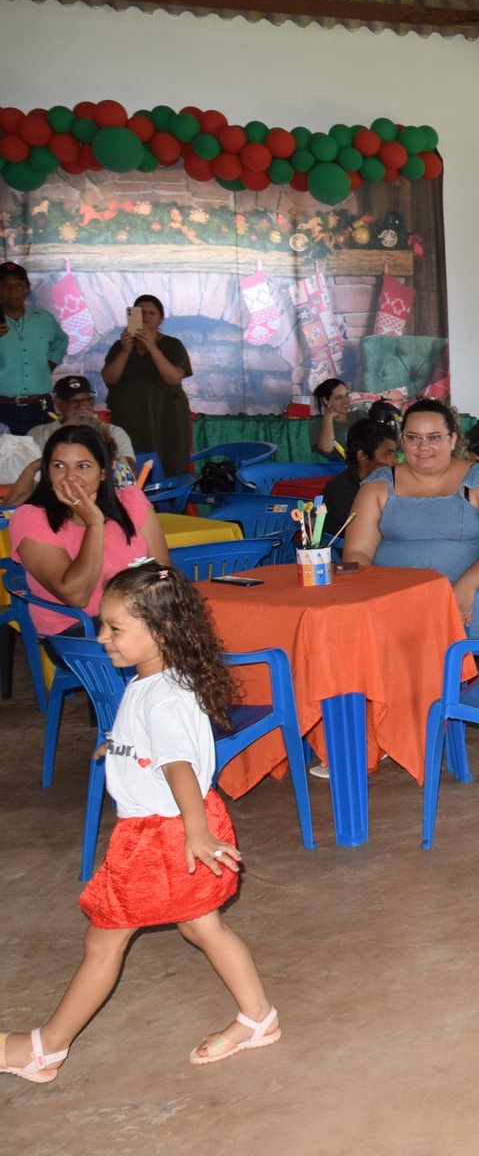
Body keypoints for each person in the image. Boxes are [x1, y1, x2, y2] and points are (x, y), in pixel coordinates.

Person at [0, 562, 279, 1084]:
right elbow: (156, 746)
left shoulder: (166, 697)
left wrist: (196, 832)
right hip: (166, 829)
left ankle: (45, 1050)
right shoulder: (151, 681)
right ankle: (258, 1017)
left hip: (162, 835)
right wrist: (120, 746)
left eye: (114, 628)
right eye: (102, 625)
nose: (101, 637)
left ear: (163, 631)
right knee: (202, 927)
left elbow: (179, 766)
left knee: (104, 942)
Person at [343, 399, 479, 640]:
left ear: (452, 440)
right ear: (402, 440)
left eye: (435, 437)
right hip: (389, 599)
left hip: (468, 594)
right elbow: (357, 551)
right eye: (413, 437)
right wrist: (374, 591)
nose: (423, 446)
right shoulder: (378, 485)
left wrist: (466, 585)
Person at [9, 425, 170, 635]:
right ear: (47, 472)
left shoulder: (131, 502)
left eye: (83, 466)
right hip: (76, 627)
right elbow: (77, 596)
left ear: (103, 472)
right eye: (59, 466)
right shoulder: (31, 518)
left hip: (140, 616)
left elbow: (163, 572)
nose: (70, 477)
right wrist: (94, 523)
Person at [3, 376, 137, 506]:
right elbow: (12, 504)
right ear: (58, 404)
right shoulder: (39, 433)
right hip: (51, 496)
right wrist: (34, 467)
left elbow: (128, 473)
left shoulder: (113, 432)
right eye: (73, 401)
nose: (81, 406)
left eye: (87, 400)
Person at [98, 294, 191, 475]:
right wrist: (126, 351)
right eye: (140, 312)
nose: (146, 316)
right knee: (130, 455)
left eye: (151, 313)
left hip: (165, 413)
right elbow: (110, 378)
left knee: (168, 458)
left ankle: (167, 492)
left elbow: (174, 378)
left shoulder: (173, 345)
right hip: (129, 413)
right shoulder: (121, 345)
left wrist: (152, 347)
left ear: (161, 318)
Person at [0, 261, 68, 436]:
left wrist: (49, 364)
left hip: (40, 408)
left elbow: (61, 341)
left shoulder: (44, 319)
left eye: (18, 285)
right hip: (2, 408)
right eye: (5, 286)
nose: (12, 291)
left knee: (43, 452)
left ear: (27, 288)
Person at [322, 418, 399, 526]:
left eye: (394, 454)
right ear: (363, 456)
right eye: (388, 454)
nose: (395, 461)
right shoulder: (339, 489)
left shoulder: (384, 484)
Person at [307, 378, 365, 458]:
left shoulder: (359, 415)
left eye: (347, 395)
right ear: (326, 400)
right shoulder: (317, 422)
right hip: (336, 465)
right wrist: (328, 418)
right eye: (339, 397)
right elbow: (326, 449)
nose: (346, 401)